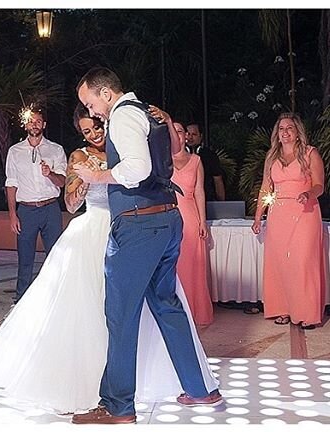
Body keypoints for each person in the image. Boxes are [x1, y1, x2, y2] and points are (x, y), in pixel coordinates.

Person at [0, 105, 218, 414]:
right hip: (94, 231)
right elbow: (73, 204)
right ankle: (97, 386)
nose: (94, 135)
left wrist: (166, 122)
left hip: (132, 230)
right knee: (95, 310)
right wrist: (87, 177)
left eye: (96, 127)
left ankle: (148, 386)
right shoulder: (78, 157)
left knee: (138, 310)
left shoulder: (127, 146)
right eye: (87, 131)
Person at [73, 67, 222, 424]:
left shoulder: (123, 116)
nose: (91, 111)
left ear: (106, 93)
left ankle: (117, 405)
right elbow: (168, 156)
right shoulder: (145, 112)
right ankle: (201, 389)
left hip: (140, 226)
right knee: (166, 305)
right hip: (168, 219)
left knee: (121, 314)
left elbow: (137, 169)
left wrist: (97, 176)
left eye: (90, 102)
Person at [251, 113, 325, 330]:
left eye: (289, 128)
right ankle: (282, 309)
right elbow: (266, 188)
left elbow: (319, 185)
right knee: (280, 262)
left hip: (305, 212)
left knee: (302, 262)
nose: (285, 132)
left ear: (297, 131)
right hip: (278, 214)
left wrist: (308, 194)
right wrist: (258, 216)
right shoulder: (272, 157)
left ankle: (306, 314)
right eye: (281, 129)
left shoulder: (310, 153)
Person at [5, 108, 67, 303]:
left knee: (55, 255)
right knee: (25, 258)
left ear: (44, 125)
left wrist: (50, 173)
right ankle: (21, 299)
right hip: (27, 210)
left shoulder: (55, 149)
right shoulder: (15, 151)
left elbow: (62, 182)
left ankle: (56, 298)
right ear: (25, 125)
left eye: (38, 121)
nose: (34, 124)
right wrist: (13, 214)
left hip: (50, 208)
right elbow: (11, 183)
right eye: (31, 121)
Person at [172, 121, 213, 326]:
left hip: (189, 215)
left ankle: (195, 310)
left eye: (181, 131)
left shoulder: (196, 160)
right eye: (174, 131)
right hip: (168, 215)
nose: (178, 135)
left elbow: (199, 191)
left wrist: (203, 221)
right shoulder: (160, 159)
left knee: (191, 264)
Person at [185, 123, 226, 201]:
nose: (190, 137)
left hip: (207, 200)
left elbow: (217, 180)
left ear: (200, 136)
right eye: (188, 134)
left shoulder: (210, 156)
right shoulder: (178, 155)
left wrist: (221, 203)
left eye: (194, 134)